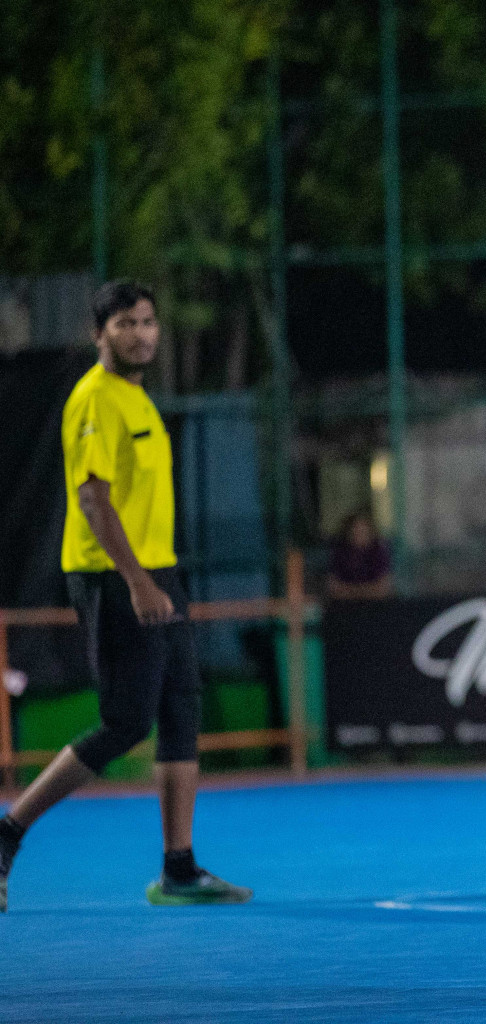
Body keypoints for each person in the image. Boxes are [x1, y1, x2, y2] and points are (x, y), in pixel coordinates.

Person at [0, 281, 253, 911]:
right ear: (99, 334)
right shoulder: (94, 399)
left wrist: (155, 578)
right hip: (116, 578)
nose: (141, 333)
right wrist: (137, 581)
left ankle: (179, 868)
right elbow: (91, 498)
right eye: (125, 323)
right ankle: (7, 831)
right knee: (125, 722)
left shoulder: (137, 398)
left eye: (148, 322)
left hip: (157, 574)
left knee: (182, 710)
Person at [325, 510, 393, 600]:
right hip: (344, 607)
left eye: (363, 530)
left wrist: (353, 591)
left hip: (375, 606)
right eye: (355, 529)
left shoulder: (379, 552)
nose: (358, 533)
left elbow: (383, 588)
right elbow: (334, 588)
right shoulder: (340, 553)